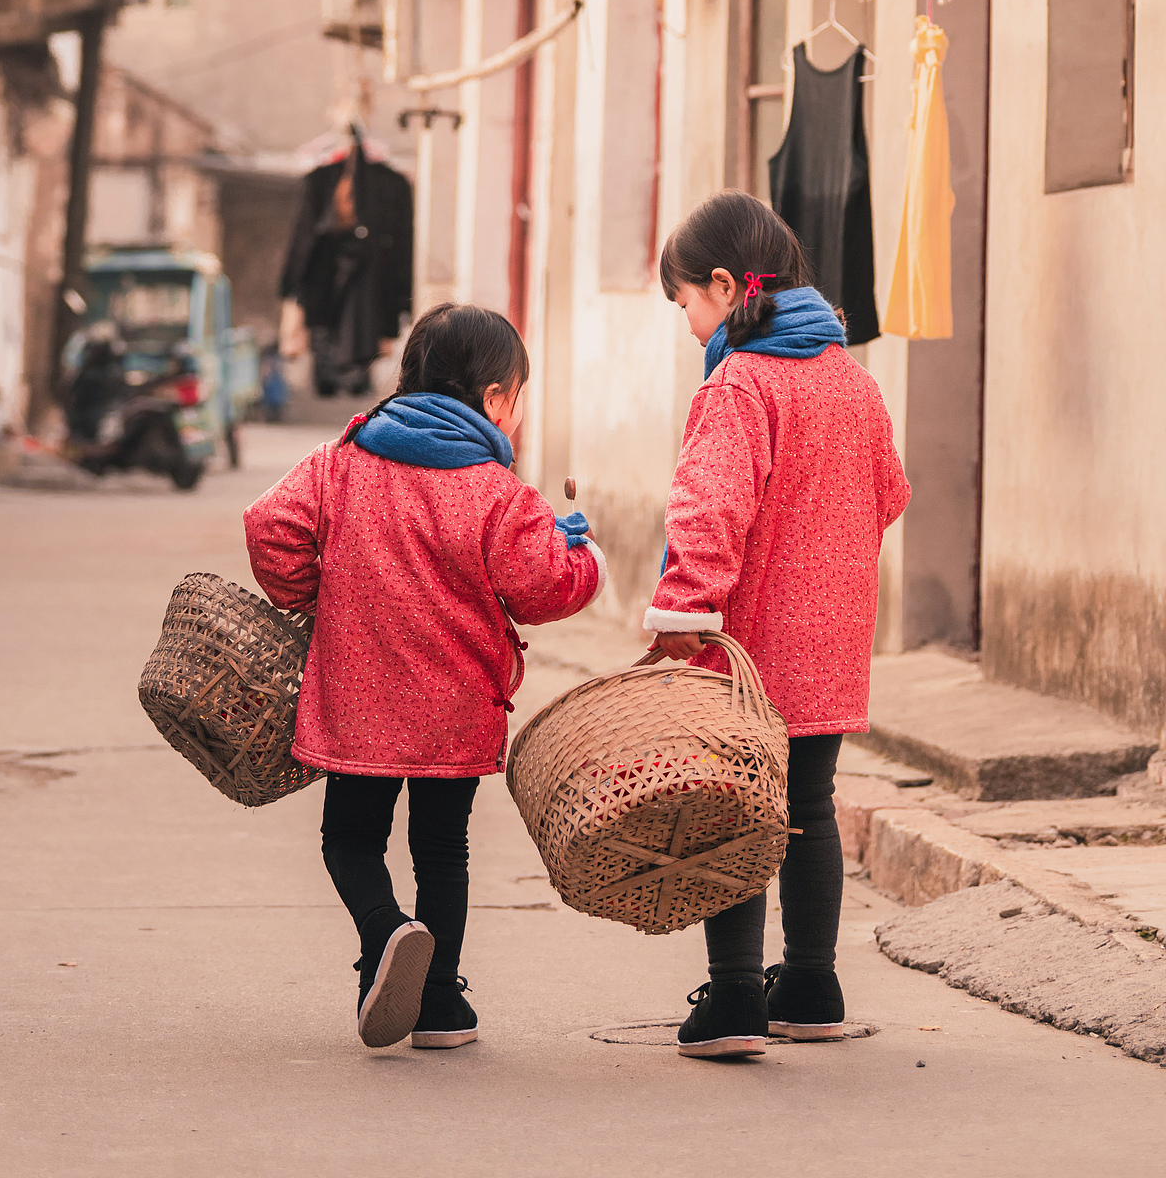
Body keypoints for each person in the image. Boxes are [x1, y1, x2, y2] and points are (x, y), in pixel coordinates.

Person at [243, 301, 605, 1052]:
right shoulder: (497, 492)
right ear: (497, 398)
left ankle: (386, 935)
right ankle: (441, 1004)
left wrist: (318, 594)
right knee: (444, 849)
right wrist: (586, 560)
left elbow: (269, 526)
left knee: (350, 841)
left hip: (357, 699)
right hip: (456, 710)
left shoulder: (342, 461)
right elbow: (542, 588)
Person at [647, 190, 910, 1062]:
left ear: (724, 287)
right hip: (833, 646)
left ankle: (730, 1001)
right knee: (808, 807)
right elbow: (892, 493)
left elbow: (707, 513)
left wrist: (683, 615)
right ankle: (809, 984)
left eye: (685, 301)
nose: (687, 324)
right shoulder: (855, 382)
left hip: (749, 650)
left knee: (737, 810)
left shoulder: (739, 383)